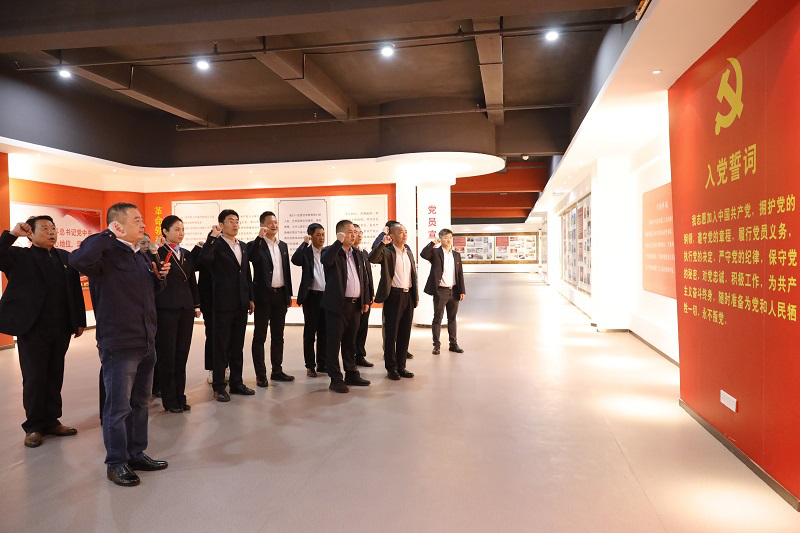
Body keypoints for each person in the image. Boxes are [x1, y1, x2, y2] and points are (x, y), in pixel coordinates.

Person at [70, 202, 170, 487]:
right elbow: (78, 260)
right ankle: (116, 462)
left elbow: (149, 292)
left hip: (146, 340)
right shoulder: (105, 252)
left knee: (140, 403)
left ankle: (136, 453)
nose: (143, 223)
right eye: (136, 219)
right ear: (117, 224)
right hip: (120, 343)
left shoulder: (140, 255)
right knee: (118, 407)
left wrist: (159, 278)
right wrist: (107, 234)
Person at [0, 217, 86, 449]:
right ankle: (33, 426)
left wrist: (79, 320)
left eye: (53, 228)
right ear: (30, 234)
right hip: (32, 327)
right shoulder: (18, 256)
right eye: (45, 229)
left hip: (60, 327)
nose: (51, 232)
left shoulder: (65, 258)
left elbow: (75, 291)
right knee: (35, 377)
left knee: (55, 374)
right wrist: (12, 235)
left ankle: (52, 421)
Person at [202, 210, 255, 402]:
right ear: (221, 224)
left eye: (237, 221)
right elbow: (204, 261)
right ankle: (218, 386)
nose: (235, 224)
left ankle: (237, 382)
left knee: (237, 346)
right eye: (230, 221)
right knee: (221, 346)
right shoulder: (215, 245)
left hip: (241, 303)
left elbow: (246, 273)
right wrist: (211, 238)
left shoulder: (243, 246)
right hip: (222, 303)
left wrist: (250, 297)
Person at [155, 216, 201, 413]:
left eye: (182, 229)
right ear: (165, 231)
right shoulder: (157, 253)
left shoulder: (187, 254)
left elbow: (192, 282)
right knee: (167, 355)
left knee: (182, 354)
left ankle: (180, 396)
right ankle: (169, 399)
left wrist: (196, 305)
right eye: (176, 229)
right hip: (166, 309)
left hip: (185, 309)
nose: (181, 233)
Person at [321, 220, 371, 393]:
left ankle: (351, 373)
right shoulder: (331, 250)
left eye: (355, 232)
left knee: (351, 341)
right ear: (340, 234)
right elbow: (326, 261)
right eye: (350, 232)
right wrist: (338, 242)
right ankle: (335, 379)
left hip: (355, 305)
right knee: (334, 343)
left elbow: (363, 278)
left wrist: (365, 300)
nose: (354, 235)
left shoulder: (357, 253)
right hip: (337, 306)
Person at [248, 211, 293, 387]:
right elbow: (252, 258)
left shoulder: (283, 246)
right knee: (260, 336)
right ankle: (261, 374)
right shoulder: (256, 244)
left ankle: (277, 370)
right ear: (262, 225)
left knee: (278, 335)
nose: (274, 225)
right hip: (263, 297)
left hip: (280, 295)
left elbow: (286, 271)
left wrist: (288, 295)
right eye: (269, 223)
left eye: (275, 222)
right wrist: (260, 238)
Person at [368, 222, 418, 380]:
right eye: (401, 232)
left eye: (406, 232)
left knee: (405, 333)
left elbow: (413, 276)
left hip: (408, 295)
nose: (404, 235)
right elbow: (372, 258)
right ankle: (391, 367)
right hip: (393, 296)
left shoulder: (409, 252)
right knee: (391, 334)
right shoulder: (387, 251)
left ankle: (402, 366)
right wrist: (383, 242)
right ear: (392, 235)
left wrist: (415, 296)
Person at [420, 228, 466, 354]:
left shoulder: (456, 255)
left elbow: (460, 274)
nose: (449, 240)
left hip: (454, 291)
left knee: (452, 319)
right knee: (438, 318)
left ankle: (453, 344)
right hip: (441, 291)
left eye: (450, 237)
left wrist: (462, 290)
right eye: (446, 238)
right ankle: (436, 345)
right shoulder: (435, 253)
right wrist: (432, 243)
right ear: (440, 239)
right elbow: (423, 254)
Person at [291, 222, 327, 377]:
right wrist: (304, 243)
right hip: (311, 297)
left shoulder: (327, 252)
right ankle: (310, 365)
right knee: (310, 333)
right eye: (318, 235)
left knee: (324, 333)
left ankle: (322, 363)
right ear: (311, 236)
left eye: (323, 234)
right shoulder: (306, 252)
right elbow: (295, 260)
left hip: (326, 297)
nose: (321, 238)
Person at [352, 223, 374, 367]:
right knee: (352, 329)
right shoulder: (348, 253)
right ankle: (350, 357)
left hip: (365, 296)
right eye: (356, 232)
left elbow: (368, 275)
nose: (359, 235)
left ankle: (360, 355)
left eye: (361, 233)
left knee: (363, 327)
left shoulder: (364, 253)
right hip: (353, 297)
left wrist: (371, 293)